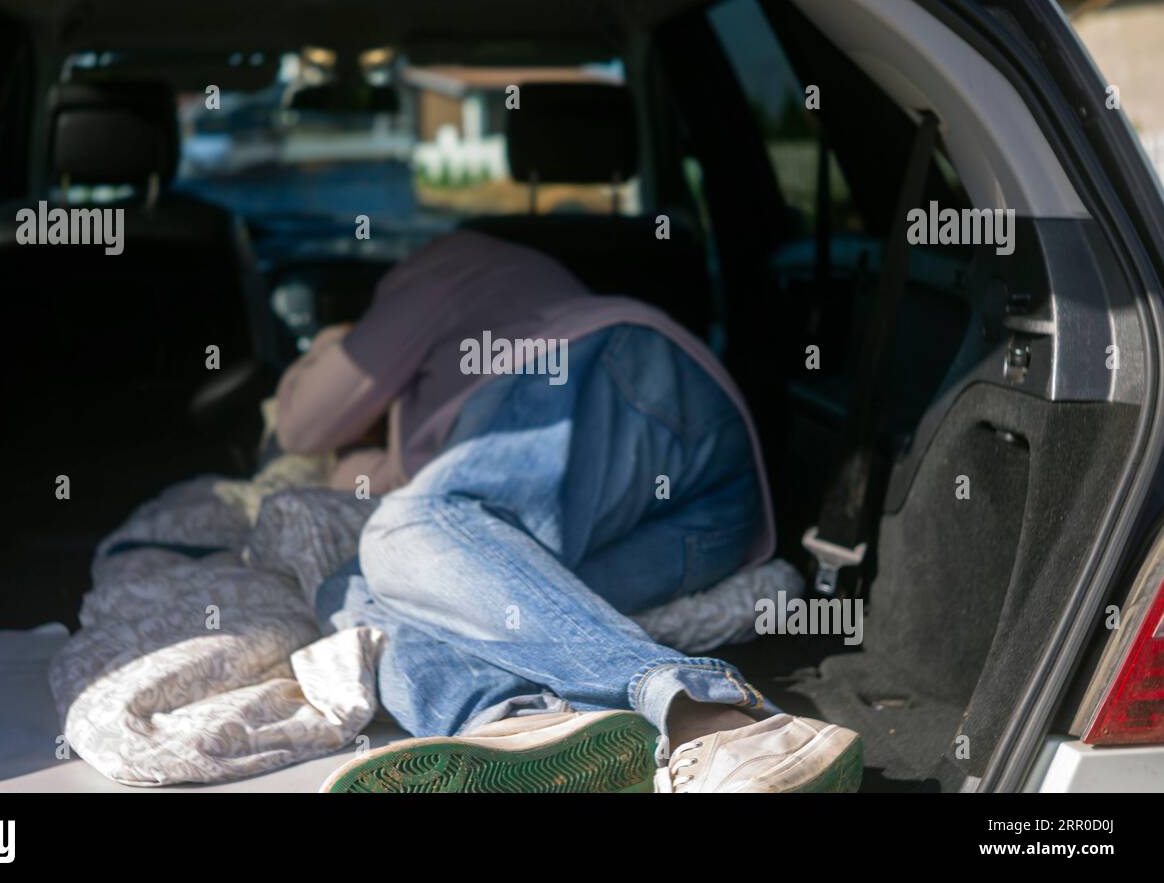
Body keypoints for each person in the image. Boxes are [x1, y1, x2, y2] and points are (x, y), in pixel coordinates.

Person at [275, 230, 861, 793]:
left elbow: (303, 423)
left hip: (628, 382)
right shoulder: (453, 423)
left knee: (405, 526)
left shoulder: (449, 259)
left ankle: (713, 717)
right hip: (702, 528)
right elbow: (418, 521)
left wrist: (334, 341)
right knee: (355, 593)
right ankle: (520, 726)